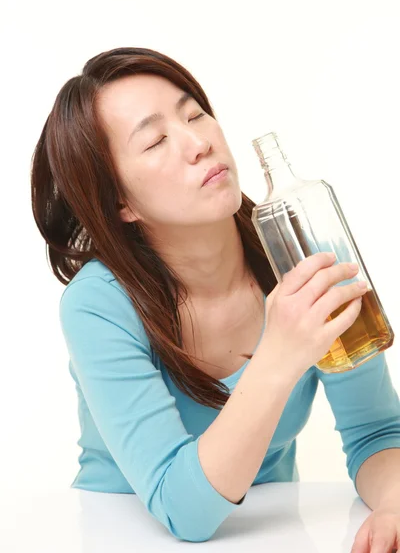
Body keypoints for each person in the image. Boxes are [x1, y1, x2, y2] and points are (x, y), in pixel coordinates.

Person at [30, 46, 400, 543]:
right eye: (157, 140)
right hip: (115, 531)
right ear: (120, 202)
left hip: (270, 533)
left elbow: (377, 434)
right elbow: (182, 510)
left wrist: (396, 505)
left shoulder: (304, 257)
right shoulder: (98, 305)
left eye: (195, 114)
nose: (198, 142)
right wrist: (279, 356)